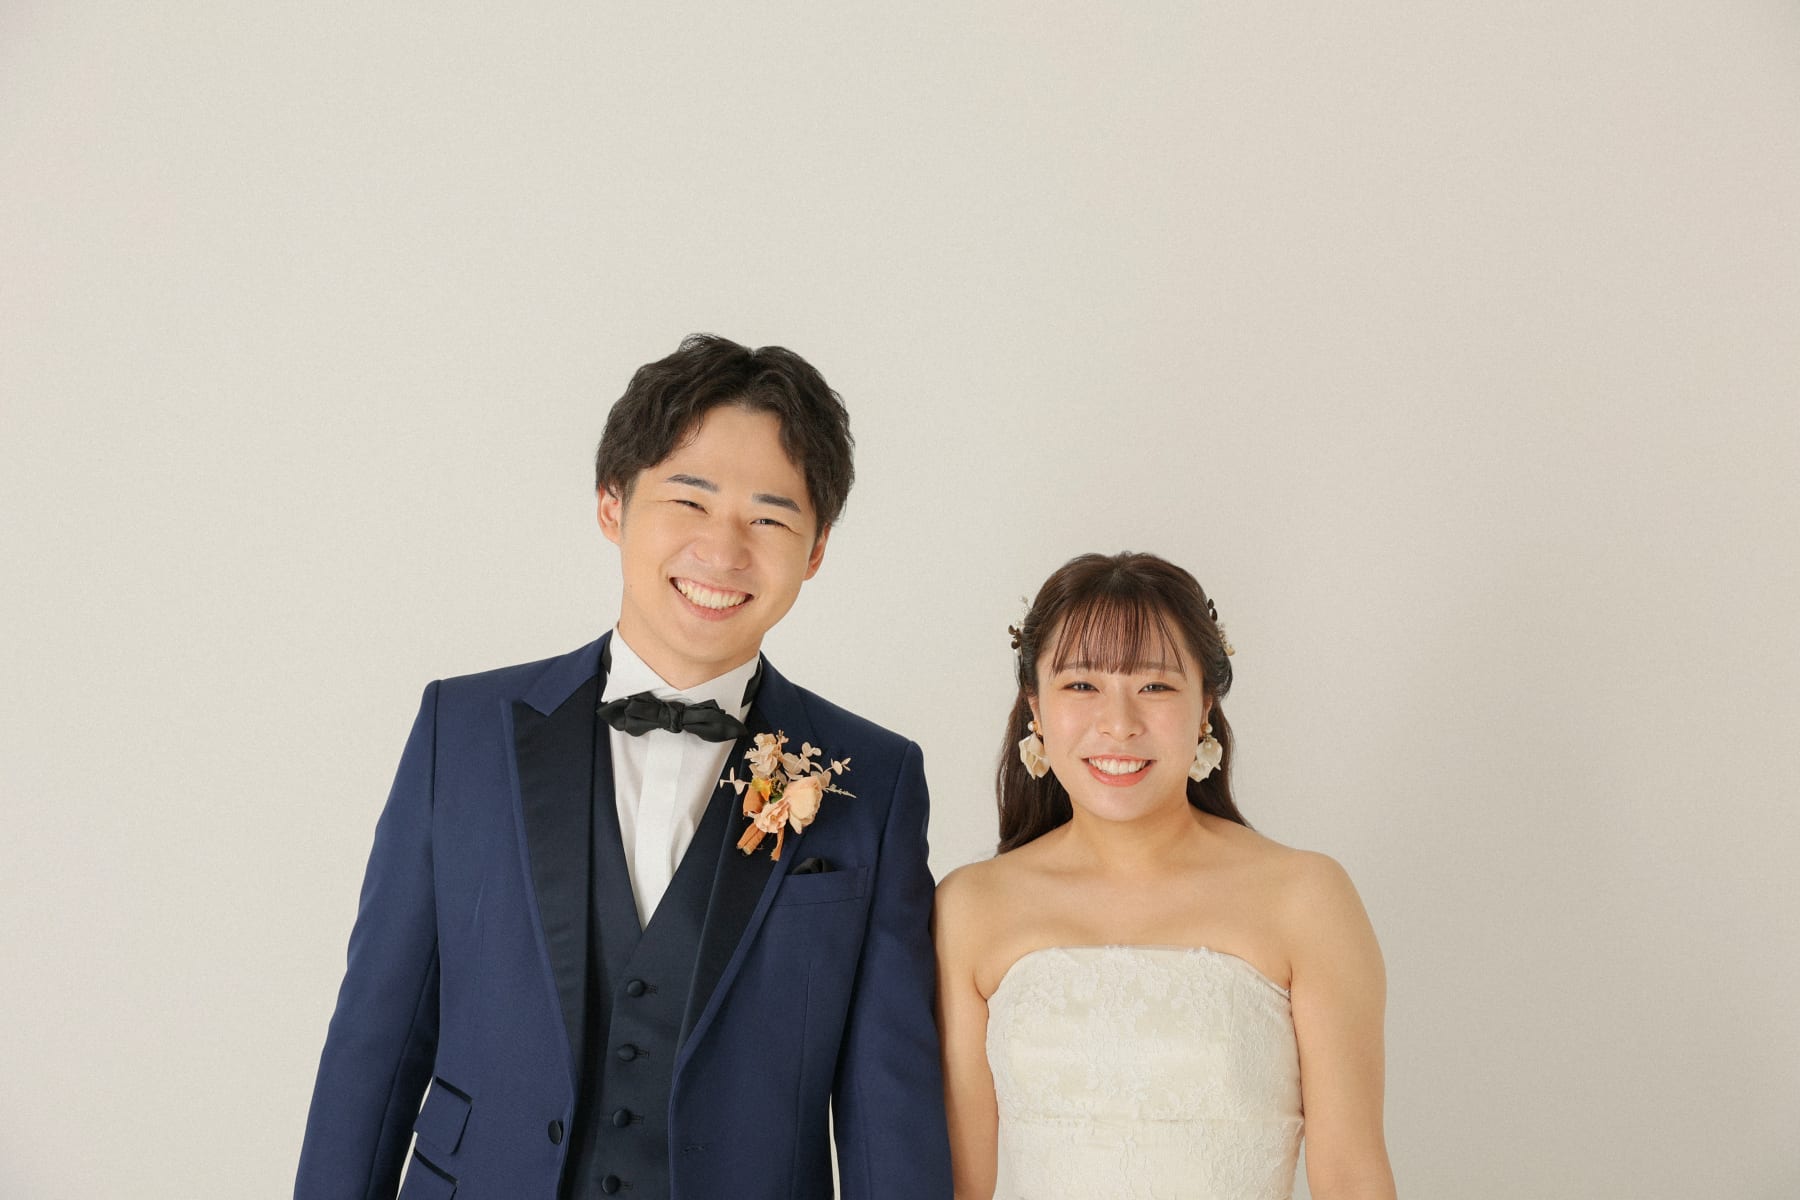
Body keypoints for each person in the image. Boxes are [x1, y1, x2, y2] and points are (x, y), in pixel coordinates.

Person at [296, 335, 951, 1200]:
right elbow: (373, 1052)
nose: (724, 551)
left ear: (817, 548)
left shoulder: (873, 780)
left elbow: (886, 1114)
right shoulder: (463, 733)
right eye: (689, 500)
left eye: (769, 518)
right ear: (612, 504)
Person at [934, 552, 1396, 1200]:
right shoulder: (971, 906)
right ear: (1034, 705)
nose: (1119, 723)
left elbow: (1351, 1176)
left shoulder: (1304, 897)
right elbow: (958, 1184)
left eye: (1154, 686)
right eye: (1081, 685)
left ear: (1205, 705)